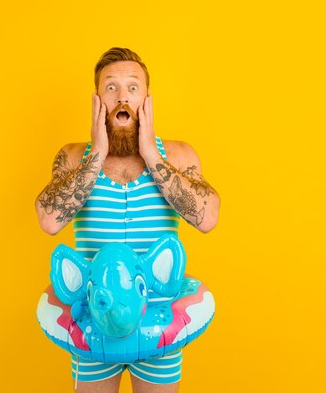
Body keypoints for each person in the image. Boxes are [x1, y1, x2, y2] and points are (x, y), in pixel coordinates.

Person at [35, 47, 221, 393]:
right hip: (93, 322)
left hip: (159, 322)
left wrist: (151, 153)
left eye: (133, 88)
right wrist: (98, 152)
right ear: (97, 100)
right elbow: (49, 220)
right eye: (111, 87)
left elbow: (207, 217)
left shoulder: (178, 155)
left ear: (147, 100)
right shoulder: (74, 156)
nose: (123, 96)